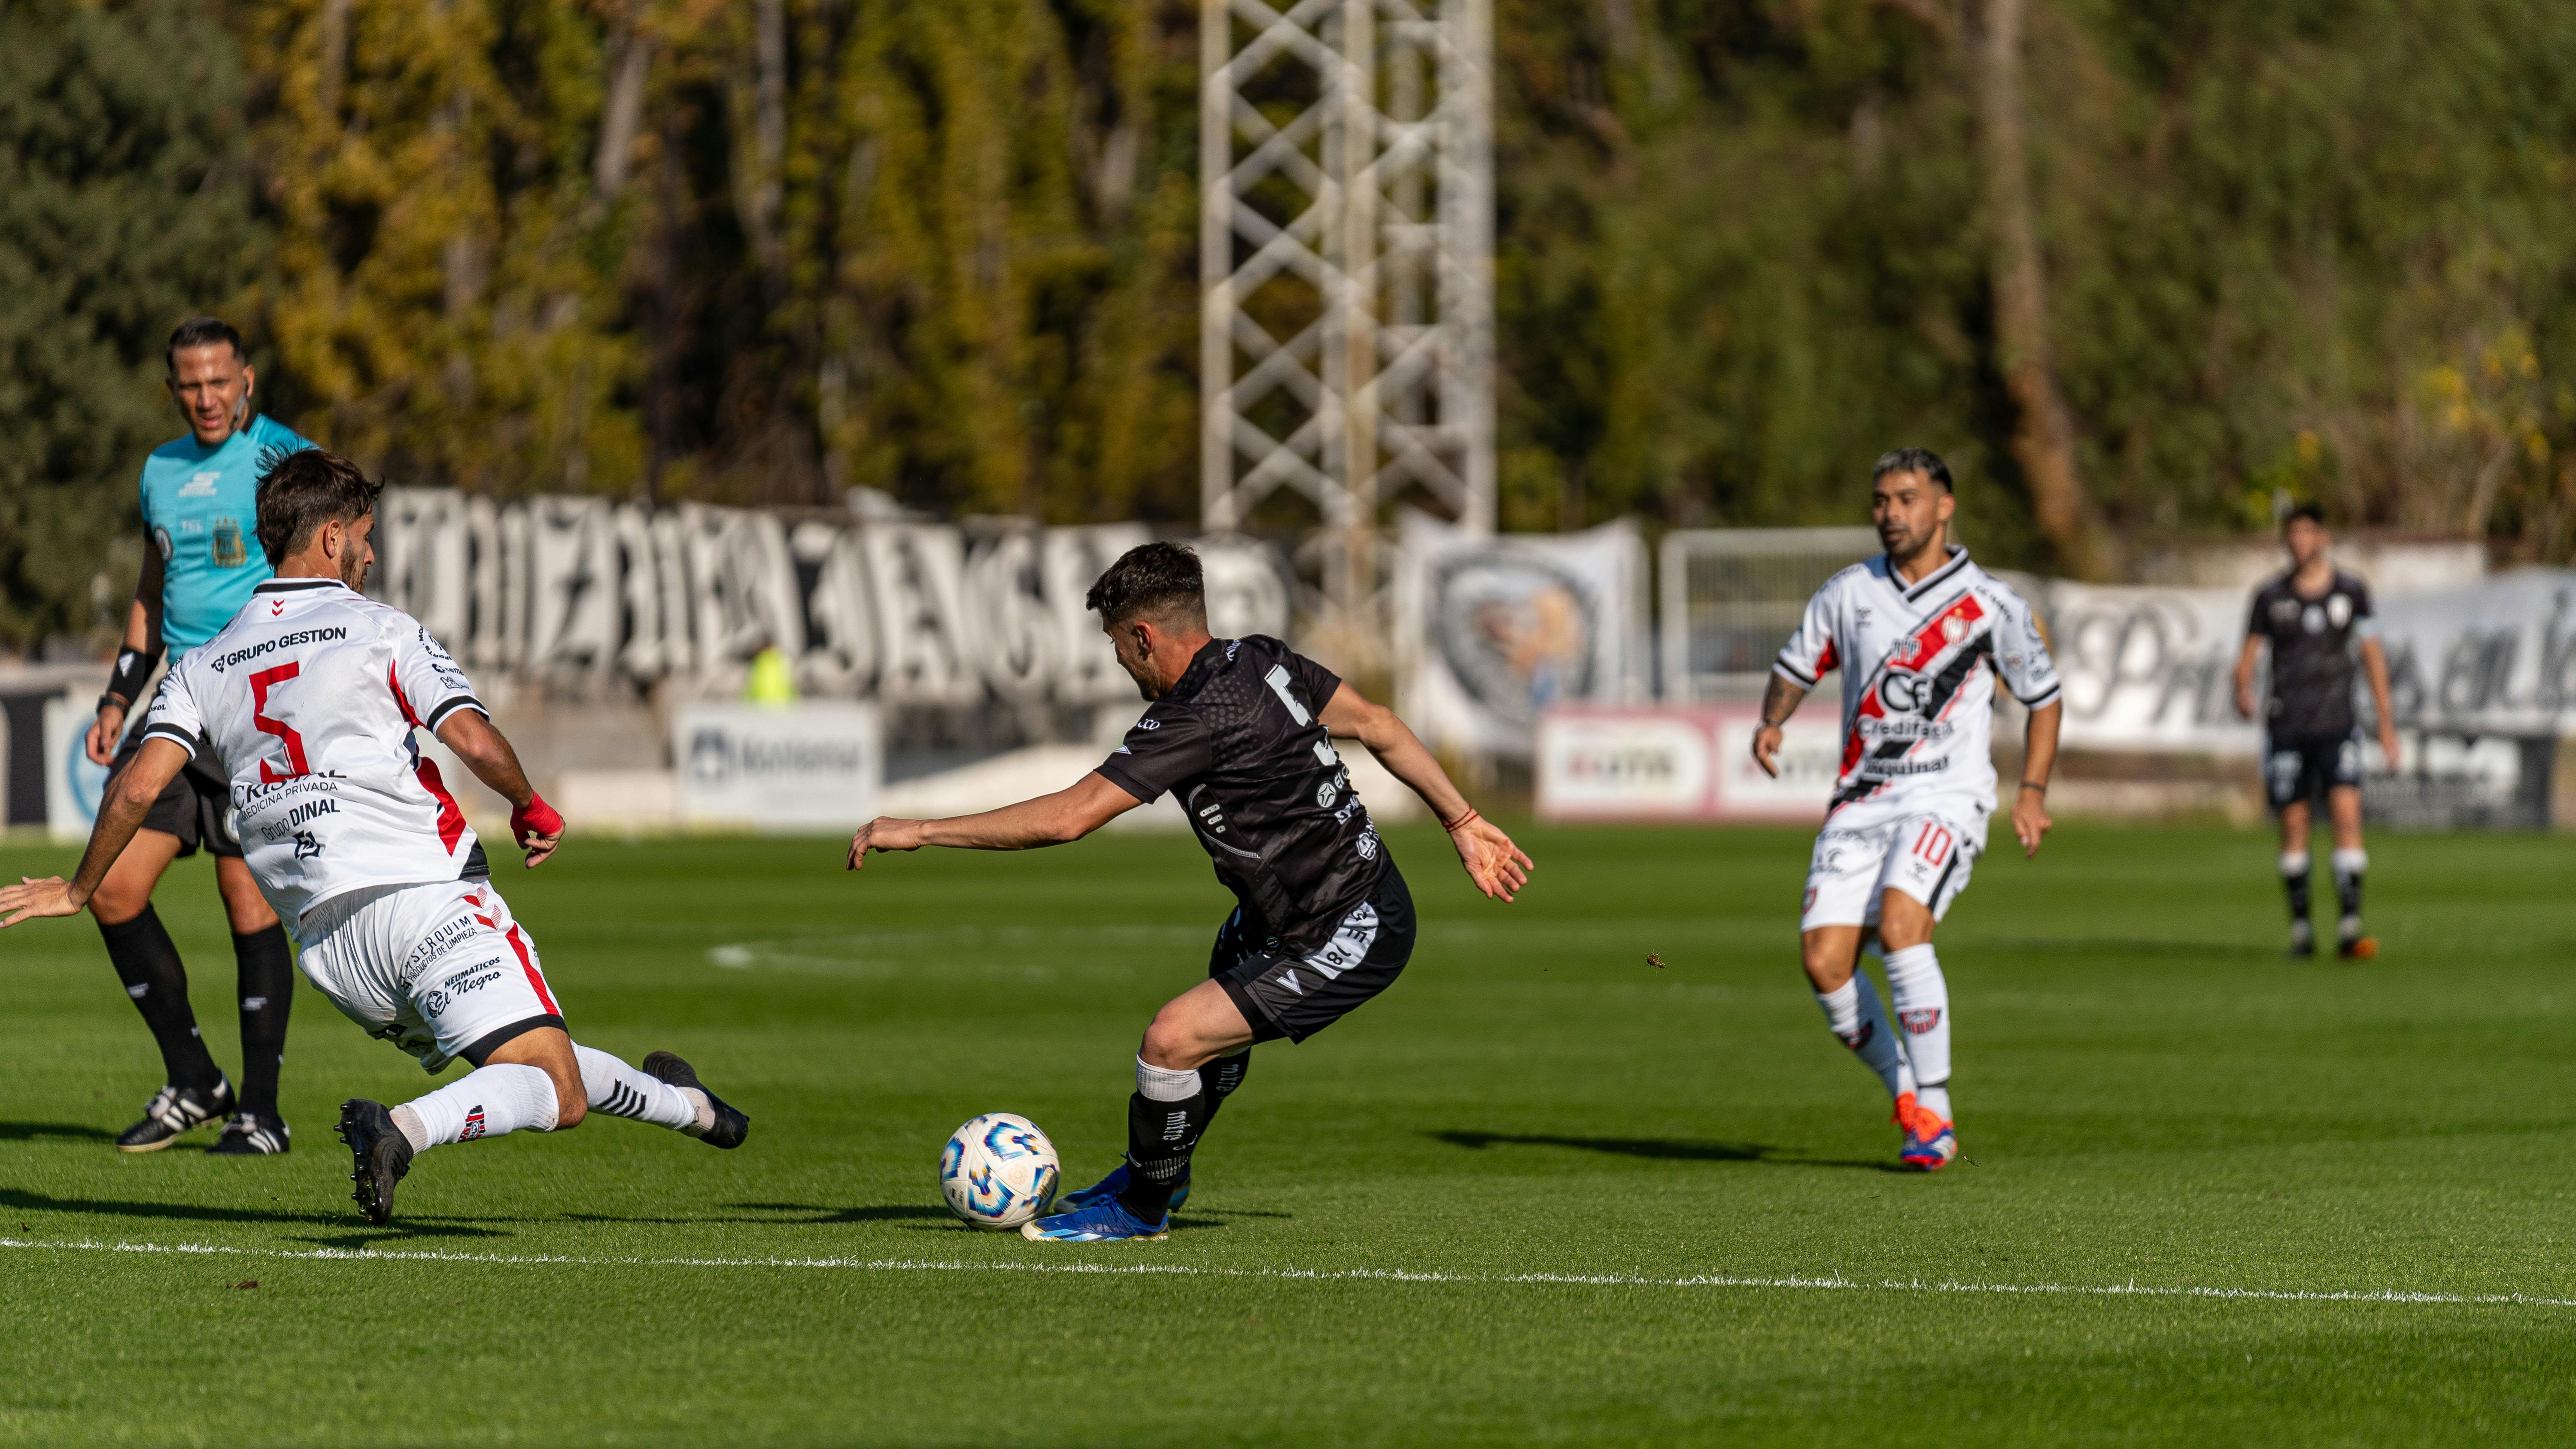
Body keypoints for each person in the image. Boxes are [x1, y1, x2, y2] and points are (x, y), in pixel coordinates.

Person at [2, 449, 750, 1225]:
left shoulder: (202, 664)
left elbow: (134, 787)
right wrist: (529, 804)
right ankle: (401, 1130)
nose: (370, 551)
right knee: (554, 1090)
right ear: (330, 539)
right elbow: (477, 742)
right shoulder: (381, 628)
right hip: (426, 899)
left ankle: (691, 1108)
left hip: (333, 954)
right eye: (364, 534)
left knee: (524, 1055)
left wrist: (79, 888)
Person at [845, 542, 1531, 1243]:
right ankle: (1161, 1171)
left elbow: (1068, 817)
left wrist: (923, 828)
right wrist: (1464, 819)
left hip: (1351, 924)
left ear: (1142, 636)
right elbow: (1379, 724)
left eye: (1115, 644)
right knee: (1216, 1003)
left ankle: (1142, 1209)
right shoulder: (1261, 659)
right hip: (1287, 911)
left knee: (1171, 1040)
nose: (1117, 660)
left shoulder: (1193, 717)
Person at [1753, 448, 2063, 1171]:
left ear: (1944, 506)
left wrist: (2032, 790)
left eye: (1906, 499)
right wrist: (1773, 720)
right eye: (1881, 501)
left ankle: (1938, 1112)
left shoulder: (1991, 604)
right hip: (1861, 802)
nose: (1891, 513)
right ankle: (1906, 1091)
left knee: (1901, 926)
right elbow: (1797, 666)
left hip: (1947, 797)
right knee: (1824, 962)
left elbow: (2043, 698)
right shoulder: (1849, 592)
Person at [82, 318, 317, 1155]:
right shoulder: (160, 469)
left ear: (247, 379)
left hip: (261, 711)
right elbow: (154, 590)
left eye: (220, 381)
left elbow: (332, 572)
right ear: (173, 387)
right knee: (113, 888)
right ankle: (195, 1077)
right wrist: (119, 692)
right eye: (190, 384)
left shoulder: (289, 461)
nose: (206, 397)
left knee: (246, 898)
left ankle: (261, 1108)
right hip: (179, 703)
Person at [2231, 505, 2399, 960]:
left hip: (2338, 724)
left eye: (2308, 532)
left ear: (2324, 537)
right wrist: (2242, 688)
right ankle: (2302, 930)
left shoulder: (2352, 591)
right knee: (2295, 824)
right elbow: (2246, 658)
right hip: (2287, 725)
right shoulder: (2270, 597)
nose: (2301, 541)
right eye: (2293, 533)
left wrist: (2386, 724)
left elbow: (2373, 656)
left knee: (2348, 816)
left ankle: (2350, 925)